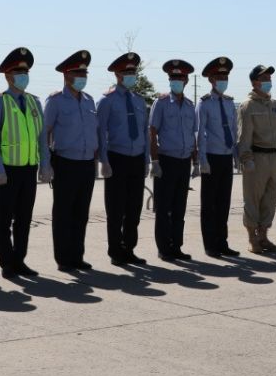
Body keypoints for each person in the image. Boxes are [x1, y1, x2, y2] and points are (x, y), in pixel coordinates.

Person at [0, 47, 50, 278]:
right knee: (4, 219)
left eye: (26, 71)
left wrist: (45, 164)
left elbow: (42, 137)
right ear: (8, 76)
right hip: (8, 170)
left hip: (28, 169)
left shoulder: (34, 103)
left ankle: (19, 259)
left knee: (24, 218)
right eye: (19, 71)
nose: (24, 75)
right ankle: (7, 263)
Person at [43, 50, 99, 271]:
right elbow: (45, 132)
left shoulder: (89, 100)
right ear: (66, 75)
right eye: (78, 73)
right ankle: (63, 258)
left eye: (85, 73)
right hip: (65, 162)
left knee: (81, 213)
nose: (82, 77)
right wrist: (45, 163)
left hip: (86, 163)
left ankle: (77, 255)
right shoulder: (55, 100)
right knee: (64, 212)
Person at [97, 52, 149, 265]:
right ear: (117, 74)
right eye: (126, 72)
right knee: (116, 209)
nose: (130, 75)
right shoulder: (107, 100)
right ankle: (115, 250)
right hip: (116, 158)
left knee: (134, 208)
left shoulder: (138, 100)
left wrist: (146, 160)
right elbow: (100, 132)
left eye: (133, 72)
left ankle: (129, 248)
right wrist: (104, 161)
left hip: (136, 159)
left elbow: (144, 132)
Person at [149, 59, 198, 261]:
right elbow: (152, 132)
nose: (176, 81)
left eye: (179, 78)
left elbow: (192, 134)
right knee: (163, 208)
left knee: (179, 208)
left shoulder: (189, 106)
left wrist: (196, 162)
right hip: (166, 161)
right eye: (173, 78)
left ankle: (176, 246)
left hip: (184, 161)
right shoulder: (160, 103)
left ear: (186, 80)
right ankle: (163, 248)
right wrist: (155, 161)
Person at [237, 64, 276, 253]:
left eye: (269, 78)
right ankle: (252, 239)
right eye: (264, 78)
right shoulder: (248, 105)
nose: (268, 82)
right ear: (254, 82)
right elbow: (244, 136)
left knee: (270, 198)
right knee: (253, 199)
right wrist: (246, 157)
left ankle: (264, 236)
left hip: (273, 158)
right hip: (256, 158)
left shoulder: (275, 106)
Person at [196, 57, 239, 257]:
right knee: (209, 204)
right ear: (211, 79)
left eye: (225, 76)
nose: (223, 80)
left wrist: (236, 156)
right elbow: (200, 133)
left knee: (223, 203)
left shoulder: (230, 103)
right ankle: (210, 244)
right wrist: (202, 160)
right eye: (219, 76)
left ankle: (222, 242)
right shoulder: (204, 103)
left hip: (226, 157)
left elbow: (233, 131)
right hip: (211, 158)